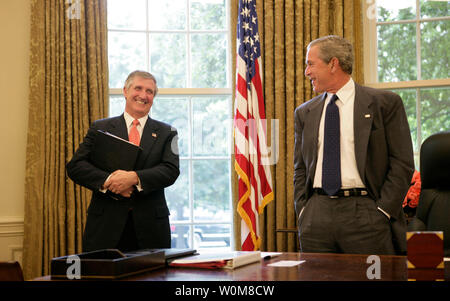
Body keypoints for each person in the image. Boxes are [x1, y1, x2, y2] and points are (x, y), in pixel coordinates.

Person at [294, 36, 414, 255]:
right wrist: (304, 210)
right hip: (316, 217)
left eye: (310, 64)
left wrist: (383, 210)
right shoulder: (304, 113)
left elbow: (402, 163)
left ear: (333, 64)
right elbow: (300, 168)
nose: (306, 72)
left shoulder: (385, 104)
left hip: (366, 214)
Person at [67, 70, 180, 252]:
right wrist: (109, 181)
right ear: (125, 91)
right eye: (138, 88)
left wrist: (134, 178)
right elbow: (76, 167)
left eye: (150, 91)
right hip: (105, 228)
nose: (143, 95)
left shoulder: (169, 132)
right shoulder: (100, 128)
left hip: (151, 229)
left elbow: (171, 170)